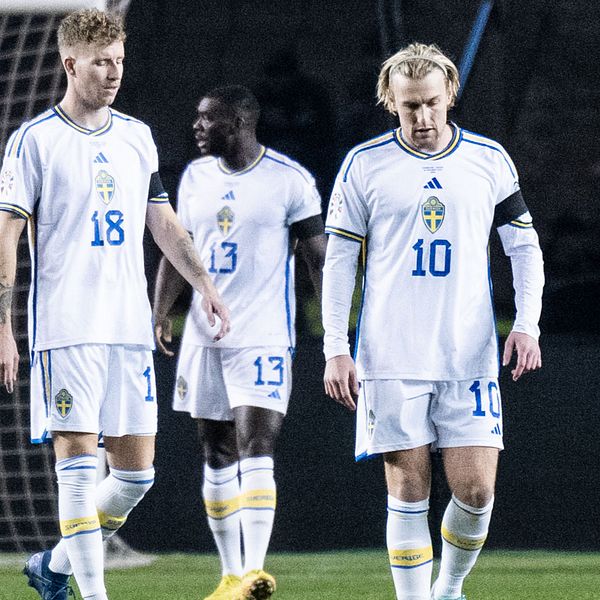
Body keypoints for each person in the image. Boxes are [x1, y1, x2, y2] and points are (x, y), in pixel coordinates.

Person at [0, 9, 229, 600]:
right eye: (101, 62)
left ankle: (53, 565)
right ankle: (92, 595)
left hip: (126, 326)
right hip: (65, 326)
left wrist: (204, 283)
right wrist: (3, 325)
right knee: (77, 465)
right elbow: (6, 237)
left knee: (134, 476)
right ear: (70, 63)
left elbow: (164, 223)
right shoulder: (34, 141)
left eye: (120, 61)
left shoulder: (136, 136)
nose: (114, 73)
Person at [322, 43, 544, 600]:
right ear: (389, 102)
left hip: (467, 353)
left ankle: (448, 588)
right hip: (390, 354)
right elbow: (339, 260)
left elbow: (524, 246)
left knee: (475, 492)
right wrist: (335, 345)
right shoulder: (364, 164)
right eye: (408, 107)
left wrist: (527, 323)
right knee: (408, 489)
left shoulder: (488, 159)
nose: (421, 119)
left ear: (450, 95)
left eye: (430, 104)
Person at [153, 85, 326, 600]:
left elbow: (318, 256)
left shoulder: (289, 180)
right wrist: (159, 311)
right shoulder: (194, 177)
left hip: (263, 336)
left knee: (258, 445)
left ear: (240, 124)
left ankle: (255, 571)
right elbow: (175, 248)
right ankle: (230, 577)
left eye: (208, 119)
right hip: (205, 341)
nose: (197, 126)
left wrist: (336, 332)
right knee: (215, 450)